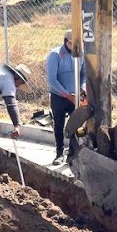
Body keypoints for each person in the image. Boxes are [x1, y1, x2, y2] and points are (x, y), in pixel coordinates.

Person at [46, 29, 86, 166]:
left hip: (75, 96)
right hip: (59, 97)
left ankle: (73, 152)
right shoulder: (55, 55)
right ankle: (59, 152)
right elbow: (52, 79)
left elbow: (83, 75)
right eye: (72, 43)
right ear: (66, 42)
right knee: (59, 124)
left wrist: (82, 89)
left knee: (76, 124)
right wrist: (66, 95)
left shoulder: (80, 55)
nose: (75, 46)